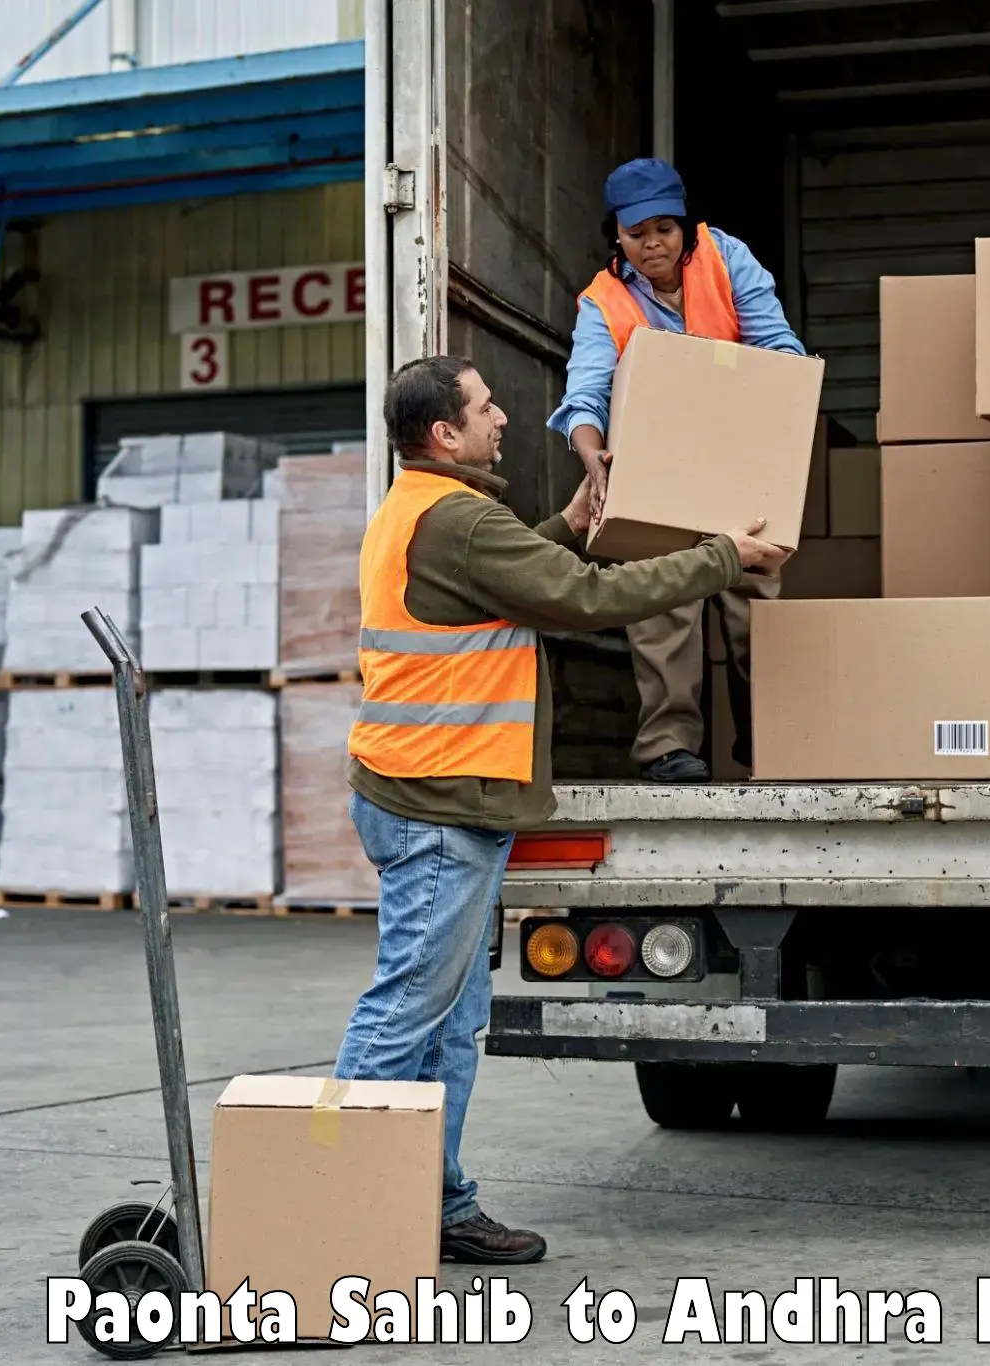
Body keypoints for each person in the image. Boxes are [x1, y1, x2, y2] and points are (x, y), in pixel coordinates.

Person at [337, 355, 789, 1265]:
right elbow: (583, 600)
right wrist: (720, 560)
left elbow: (511, 581)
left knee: (450, 1020)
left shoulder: (420, 508)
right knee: (404, 1016)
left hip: (426, 794)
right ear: (444, 434)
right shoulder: (458, 519)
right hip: (439, 804)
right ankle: (336, 1216)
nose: (503, 417)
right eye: (486, 406)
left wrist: (572, 526)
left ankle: (438, 1202)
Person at [546, 156, 808, 783]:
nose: (653, 244)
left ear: (684, 223)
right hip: (655, 470)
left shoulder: (725, 257)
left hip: (738, 456)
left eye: (665, 228)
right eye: (638, 234)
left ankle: (769, 738)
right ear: (618, 235)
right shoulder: (601, 301)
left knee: (753, 604)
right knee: (661, 604)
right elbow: (585, 392)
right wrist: (592, 452)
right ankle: (668, 748)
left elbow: (779, 347)